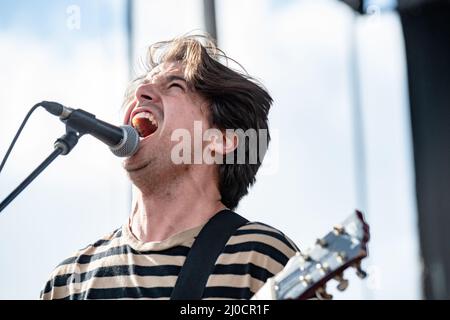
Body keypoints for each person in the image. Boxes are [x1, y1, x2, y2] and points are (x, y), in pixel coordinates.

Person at [40, 34, 299, 300]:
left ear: (221, 139)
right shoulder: (69, 282)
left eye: (174, 86)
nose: (140, 93)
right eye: (143, 85)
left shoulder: (262, 259)